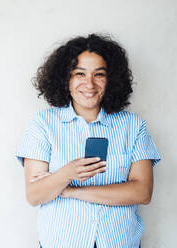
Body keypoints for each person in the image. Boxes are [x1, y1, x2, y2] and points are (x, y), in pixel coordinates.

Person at [16, 34, 161, 248]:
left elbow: (142, 192)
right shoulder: (43, 125)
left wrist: (69, 190)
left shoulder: (133, 126)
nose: (89, 84)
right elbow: (35, 195)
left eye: (99, 74)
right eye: (79, 74)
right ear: (66, 79)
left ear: (111, 79)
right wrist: (67, 173)